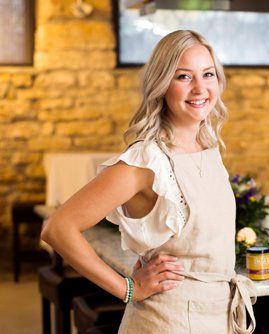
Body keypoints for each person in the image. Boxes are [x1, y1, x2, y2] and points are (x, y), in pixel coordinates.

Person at [41, 29, 256, 333]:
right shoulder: (146, 161)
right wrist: (128, 288)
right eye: (183, 77)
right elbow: (58, 228)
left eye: (208, 74)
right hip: (169, 321)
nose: (200, 88)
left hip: (218, 316)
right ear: (161, 85)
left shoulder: (208, 148)